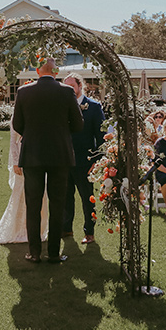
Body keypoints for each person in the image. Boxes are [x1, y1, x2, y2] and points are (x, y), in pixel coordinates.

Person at [13, 57, 84, 264]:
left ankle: (34, 253)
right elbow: (78, 124)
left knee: (32, 205)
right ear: (56, 72)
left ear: (37, 71)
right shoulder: (66, 92)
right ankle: (53, 253)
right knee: (57, 204)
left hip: (33, 155)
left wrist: (33, 134)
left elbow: (17, 124)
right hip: (59, 155)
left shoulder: (23, 92)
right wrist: (61, 133)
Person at [0, 122, 49, 244]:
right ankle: (20, 228)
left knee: (41, 193)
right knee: (21, 192)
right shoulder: (17, 114)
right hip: (23, 156)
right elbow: (13, 139)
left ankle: (38, 229)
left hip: (39, 157)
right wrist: (16, 161)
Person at [62, 73, 104, 244]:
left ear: (80, 86)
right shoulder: (61, 106)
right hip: (64, 160)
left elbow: (101, 137)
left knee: (88, 199)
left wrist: (96, 161)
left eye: (71, 86)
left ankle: (89, 233)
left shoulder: (93, 107)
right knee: (65, 198)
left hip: (85, 161)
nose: (69, 90)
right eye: (66, 87)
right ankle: (66, 230)